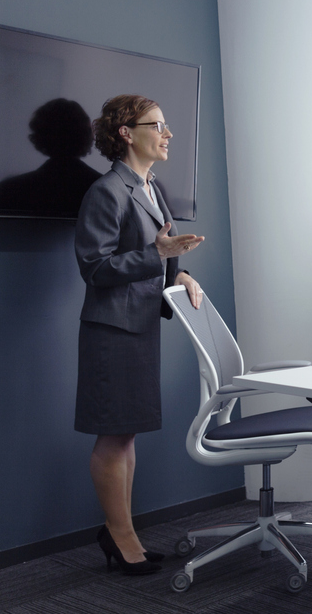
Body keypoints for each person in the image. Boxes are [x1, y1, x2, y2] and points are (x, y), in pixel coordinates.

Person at [74, 94, 205, 576]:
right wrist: (158, 254)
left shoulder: (153, 186)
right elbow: (94, 266)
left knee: (126, 433)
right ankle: (121, 536)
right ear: (127, 132)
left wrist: (180, 273)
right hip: (112, 330)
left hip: (141, 324)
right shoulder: (106, 191)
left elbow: (159, 254)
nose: (168, 134)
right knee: (114, 437)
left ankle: (120, 530)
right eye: (159, 125)